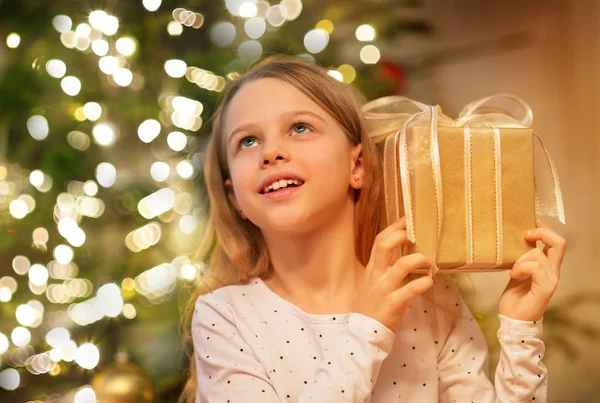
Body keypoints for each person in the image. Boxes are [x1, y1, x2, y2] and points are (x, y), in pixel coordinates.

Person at [179, 54, 567, 403]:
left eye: (299, 128)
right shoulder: (224, 317)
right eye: (247, 140)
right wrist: (368, 328)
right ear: (234, 199)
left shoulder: (429, 301)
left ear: (358, 166)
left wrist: (520, 329)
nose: (271, 152)